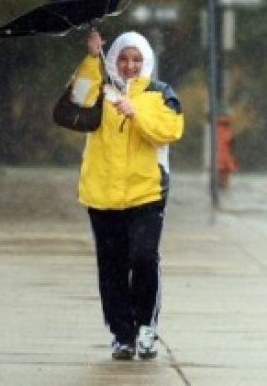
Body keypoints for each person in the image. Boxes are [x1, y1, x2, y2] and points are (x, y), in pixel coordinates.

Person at [72, 29, 184, 360]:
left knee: (144, 258)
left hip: (146, 191)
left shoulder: (160, 93)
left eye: (136, 59)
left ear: (146, 61)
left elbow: (170, 130)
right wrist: (92, 59)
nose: (130, 65)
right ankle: (122, 333)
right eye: (122, 58)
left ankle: (145, 326)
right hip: (101, 192)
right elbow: (76, 101)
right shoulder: (98, 88)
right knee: (112, 265)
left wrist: (135, 111)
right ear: (113, 60)